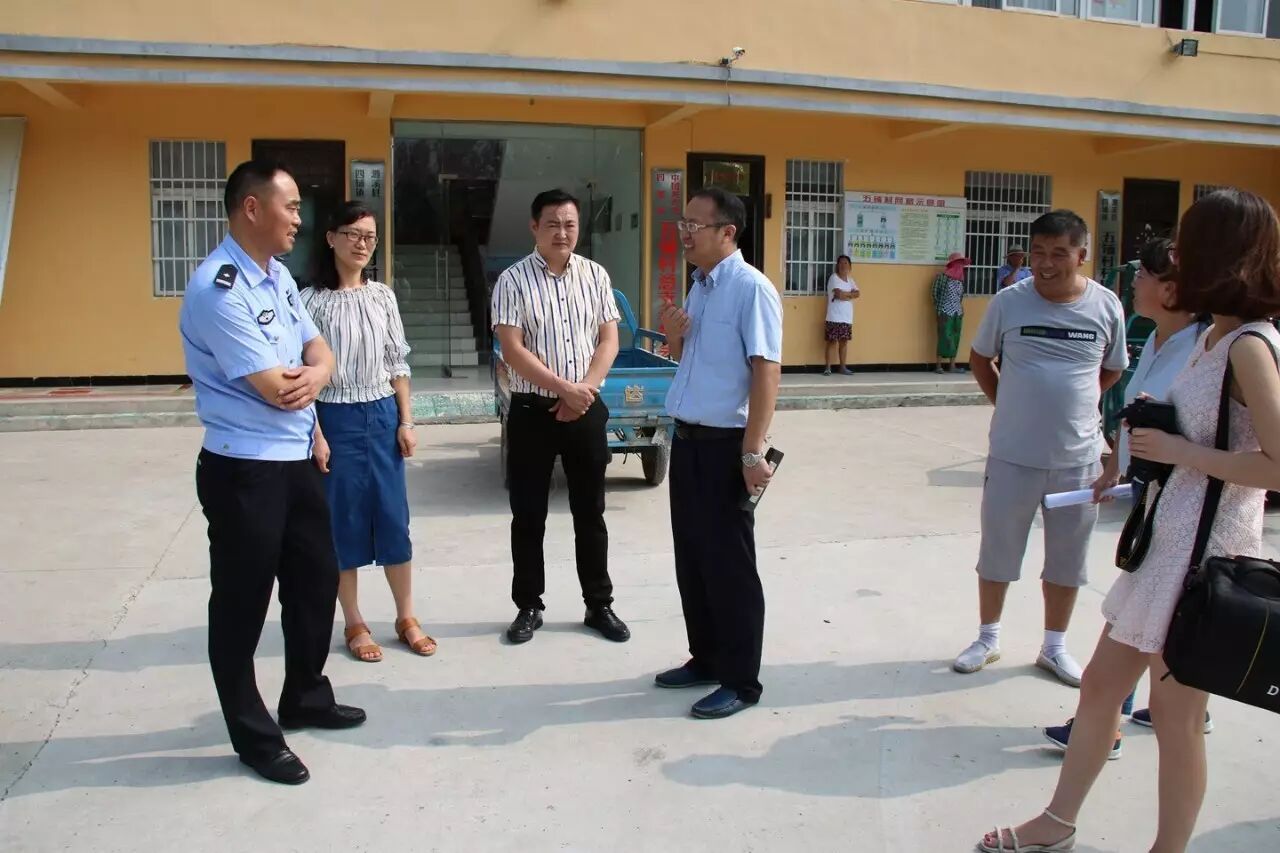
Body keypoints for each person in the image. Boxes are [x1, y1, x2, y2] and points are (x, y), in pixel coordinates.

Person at [979, 189, 1280, 853]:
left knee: (1177, 718)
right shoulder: (1211, 335)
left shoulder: (1250, 345)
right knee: (1100, 688)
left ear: (1219, 251)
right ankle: (1057, 822)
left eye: (1188, 241)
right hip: (1165, 547)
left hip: (1203, 559)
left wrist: (1179, 452)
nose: (1175, 255)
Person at [179, 160, 365, 786]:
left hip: (297, 460)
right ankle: (254, 736)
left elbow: (318, 350)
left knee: (314, 582)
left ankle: (305, 695)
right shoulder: (218, 289)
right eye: (290, 206)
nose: (299, 220)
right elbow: (276, 388)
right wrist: (312, 379)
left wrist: (319, 373)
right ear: (252, 209)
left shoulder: (278, 276)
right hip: (244, 470)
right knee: (242, 603)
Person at [1042, 237, 1211, 760]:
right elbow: (1138, 412)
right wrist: (1113, 466)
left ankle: (1106, 724)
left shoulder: (1205, 347)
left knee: (1141, 614)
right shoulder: (1161, 337)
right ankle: (1175, 705)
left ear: (1171, 289)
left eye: (1143, 275)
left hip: (1184, 505)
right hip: (1153, 492)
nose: (1133, 282)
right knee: (1156, 613)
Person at [955, 210, 1127, 688]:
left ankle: (1054, 647)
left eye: (1059, 254)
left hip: (1078, 460)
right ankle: (987, 638)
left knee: (1068, 558)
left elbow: (1112, 368)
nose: (1046, 264)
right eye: (1038, 253)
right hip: (1012, 454)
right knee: (998, 550)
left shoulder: (1106, 305)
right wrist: (1009, 402)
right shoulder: (1009, 302)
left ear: (1081, 255)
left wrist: (1078, 401)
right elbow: (980, 359)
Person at [655, 186, 783, 720]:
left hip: (726, 447)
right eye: (682, 223)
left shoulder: (751, 289)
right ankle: (706, 657)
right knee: (693, 559)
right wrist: (673, 336)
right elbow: (689, 360)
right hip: (687, 441)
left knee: (730, 567)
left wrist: (753, 451)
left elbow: (766, 370)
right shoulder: (700, 286)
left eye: (695, 225)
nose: (685, 233)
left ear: (727, 232)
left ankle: (740, 680)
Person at [490, 189, 627, 645]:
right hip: (533, 411)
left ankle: (598, 604)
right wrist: (563, 389)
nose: (562, 232)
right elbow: (512, 350)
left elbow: (608, 339)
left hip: (585, 409)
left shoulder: (595, 275)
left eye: (570, 224)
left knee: (591, 512)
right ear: (534, 227)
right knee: (528, 514)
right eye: (552, 224)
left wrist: (582, 391)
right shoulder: (512, 280)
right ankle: (528, 605)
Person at [301, 202, 436, 664]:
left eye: (370, 237)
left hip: (381, 415)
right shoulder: (309, 302)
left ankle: (406, 616)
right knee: (342, 523)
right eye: (354, 234)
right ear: (331, 238)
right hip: (333, 419)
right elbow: (304, 372)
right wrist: (316, 434)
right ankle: (354, 621)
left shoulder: (383, 297)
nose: (362, 244)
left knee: (394, 518)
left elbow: (398, 362)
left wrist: (406, 420)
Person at [932, 251, 970, 374]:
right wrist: (938, 309)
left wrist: (961, 308)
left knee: (955, 338)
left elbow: (960, 297)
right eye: (958, 263)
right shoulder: (942, 278)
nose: (960, 266)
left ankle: (952, 365)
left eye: (962, 263)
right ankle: (938, 366)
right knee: (944, 337)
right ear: (953, 264)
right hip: (945, 311)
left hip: (957, 313)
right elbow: (934, 293)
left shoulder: (960, 280)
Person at [823, 255, 859, 375]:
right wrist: (850, 295)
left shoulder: (850, 280)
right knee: (832, 341)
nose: (843, 265)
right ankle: (828, 368)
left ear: (850, 266)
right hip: (834, 316)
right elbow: (838, 295)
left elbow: (857, 293)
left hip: (846, 317)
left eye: (846, 263)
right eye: (841, 263)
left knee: (844, 342)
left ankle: (842, 367)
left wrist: (846, 294)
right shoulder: (834, 278)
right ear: (837, 265)